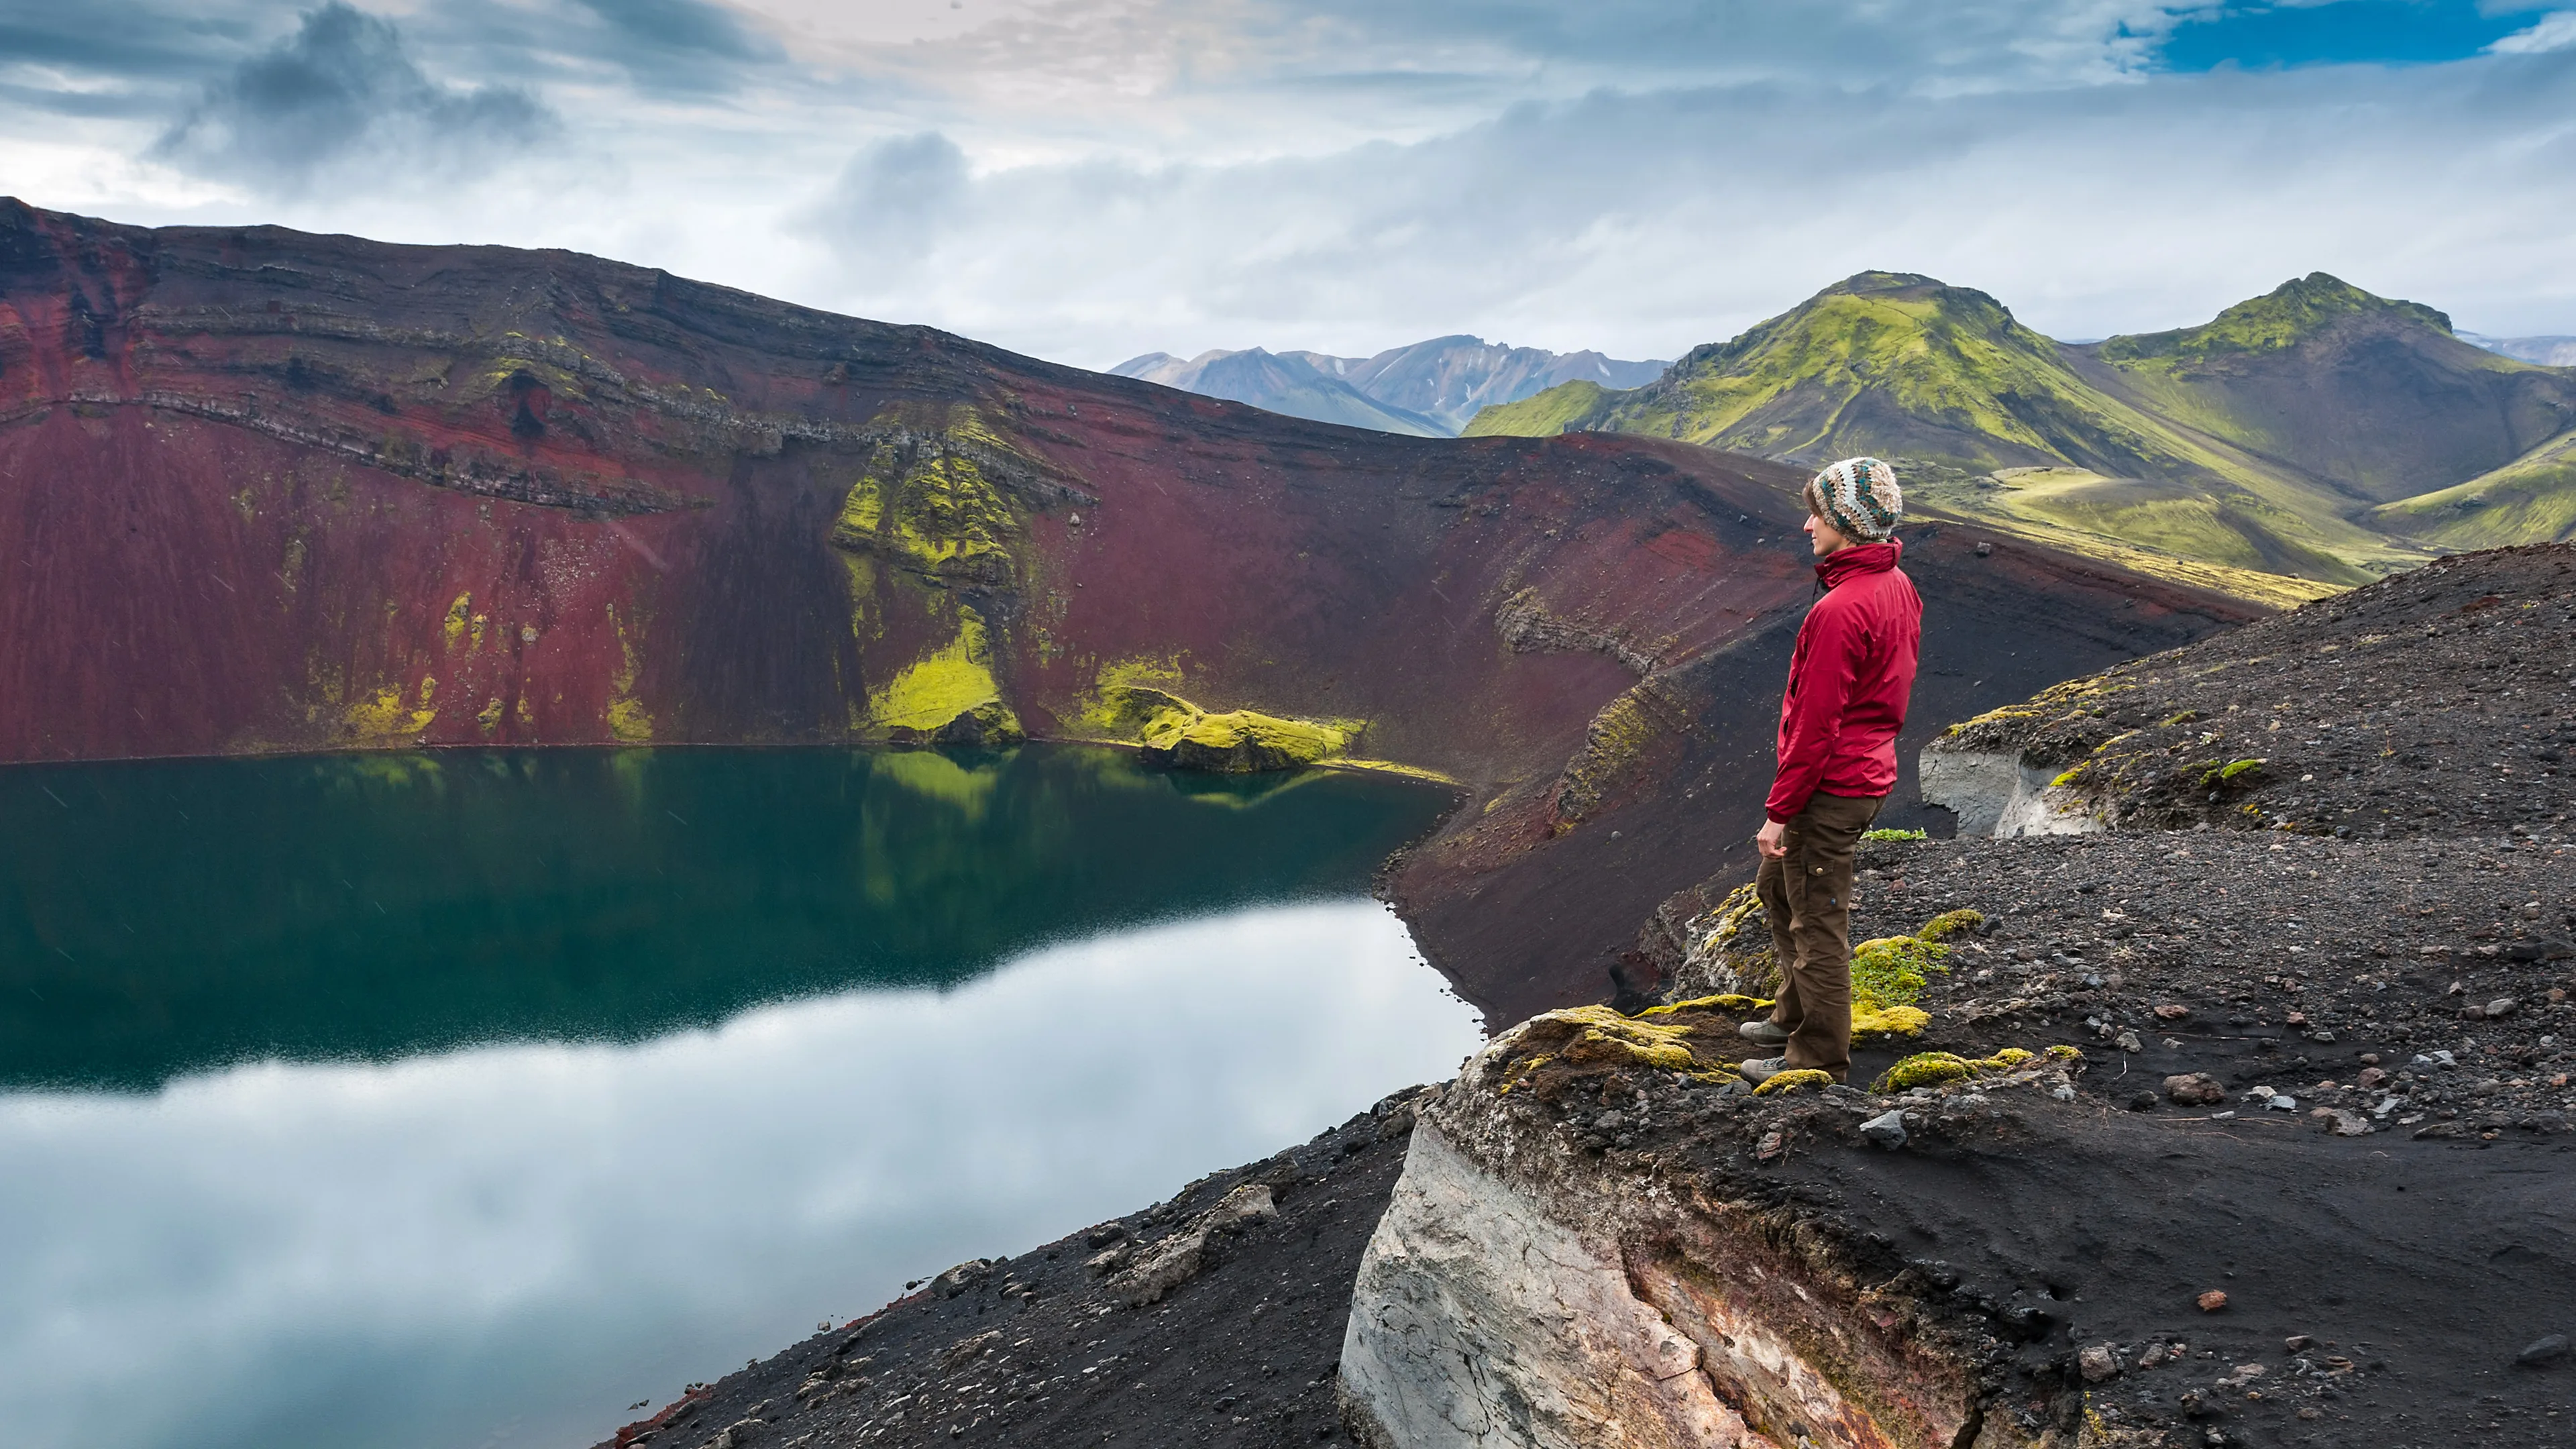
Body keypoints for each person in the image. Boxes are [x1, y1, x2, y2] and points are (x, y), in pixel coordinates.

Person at [1736, 457, 1921, 1085]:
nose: (1806, 524)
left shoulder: (1842, 609)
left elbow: (1818, 728)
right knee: (1777, 889)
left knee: (1817, 923)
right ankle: (1793, 1014)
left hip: (1831, 786)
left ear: (1848, 522)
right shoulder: (1894, 584)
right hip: (1859, 774)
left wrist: (1780, 812)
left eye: (1818, 513)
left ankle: (1816, 1060)